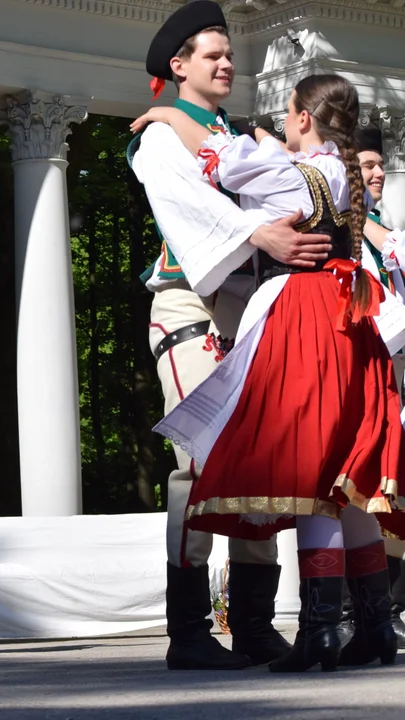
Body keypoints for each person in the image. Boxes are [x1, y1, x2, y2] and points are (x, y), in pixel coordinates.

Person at [144, 74, 405, 672]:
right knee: (347, 477)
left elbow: (222, 159)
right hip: (347, 321)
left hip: (300, 317)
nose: (281, 124)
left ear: (305, 118)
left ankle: (317, 634)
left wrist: (165, 118)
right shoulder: (337, 173)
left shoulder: (292, 172)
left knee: (310, 472)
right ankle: (373, 629)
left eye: (287, 115)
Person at [129, 0, 333, 670]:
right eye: (211, 55)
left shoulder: (228, 132)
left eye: (227, 54)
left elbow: (286, 185)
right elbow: (188, 209)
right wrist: (257, 231)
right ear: (177, 66)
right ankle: (188, 631)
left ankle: (249, 624)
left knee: (260, 457)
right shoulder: (161, 137)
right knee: (197, 461)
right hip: (189, 304)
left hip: (247, 308)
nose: (225, 63)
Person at [354, 126, 405, 650]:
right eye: (364, 163)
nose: (375, 173)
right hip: (358, 368)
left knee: (386, 485)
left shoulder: (382, 237)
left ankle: (381, 612)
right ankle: (353, 612)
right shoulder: (349, 235)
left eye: (378, 164)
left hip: (390, 371)